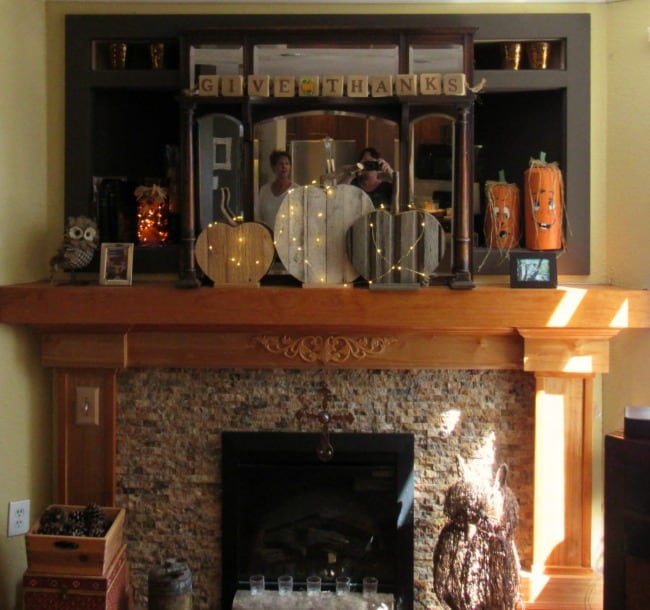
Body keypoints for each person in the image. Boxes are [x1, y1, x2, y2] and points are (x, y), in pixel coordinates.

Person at [255, 150, 299, 229]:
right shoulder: (264, 190)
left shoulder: (297, 190)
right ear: (273, 167)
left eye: (287, 164)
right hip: (267, 235)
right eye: (280, 164)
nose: (284, 167)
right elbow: (258, 215)